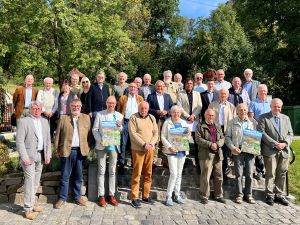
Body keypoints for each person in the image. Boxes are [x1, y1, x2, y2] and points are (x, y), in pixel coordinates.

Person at [16, 101, 51, 220]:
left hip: (40, 156)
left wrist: (48, 154)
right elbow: (19, 142)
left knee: (36, 182)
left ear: (41, 109)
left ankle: (32, 204)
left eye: (38, 108)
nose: (36, 110)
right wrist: (24, 158)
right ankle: (27, 209)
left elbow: (47, 140)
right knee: (29, 182)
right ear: (30, 109)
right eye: (34, 108)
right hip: (29, 157)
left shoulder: (45, 122)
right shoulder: (23, 121)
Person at [54, 99, 91, 209]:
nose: (75, 108)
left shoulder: (86, 118)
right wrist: (56, 149)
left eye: (78, 106)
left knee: (78, 176)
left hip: (80, 151)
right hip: (66, 151)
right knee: (65, 176)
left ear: (81, 107)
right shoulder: (64, 118)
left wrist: (87, 148)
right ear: (70, 106)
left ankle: (78, 197)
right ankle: (62, 198)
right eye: (73, 106)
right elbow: (58, 135)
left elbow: (89, 136)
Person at [258, 98, 293, 206]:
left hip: (284, 150)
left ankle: (279, 194)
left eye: (279, 107)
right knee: (270, 173)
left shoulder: (286, 118)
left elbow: (290, 133)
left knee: (282, 173)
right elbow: (261, 132)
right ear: (271, 106)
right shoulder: (264, 117)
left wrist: (285, 143)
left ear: (281, 107)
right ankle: (269, 195)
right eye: (275, 106)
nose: (277, 108)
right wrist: (275, 144)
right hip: (270, 150)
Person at [92, 96, 123, 207]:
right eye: (109, 103)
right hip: (102, 146)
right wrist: (100, 140)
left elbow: (120, 131)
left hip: (113, 146)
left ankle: (111, 195)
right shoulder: (100, 114)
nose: (111, 105)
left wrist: (120, 126)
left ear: (115, 104)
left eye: (113, 103)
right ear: (106, 103)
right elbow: (95, 129)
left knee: (112, 171)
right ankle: (101, 196)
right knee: (101, 171)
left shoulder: (119, 115)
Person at [128, 101, 158, 208]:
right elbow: (133, 134)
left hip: (150, 149)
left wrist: (151, 143)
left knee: (148, 173)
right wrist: (144, 144)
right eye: (142, 108)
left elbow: (155, 133)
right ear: (138, 108)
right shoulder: (133, 118)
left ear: (148, 109)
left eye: (146, 108)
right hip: (138, 149)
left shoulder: (151, 118)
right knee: (137, 173)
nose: (144, 110)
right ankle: (134, 197)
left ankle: (146, 195)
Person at [225, 103, 256, 204]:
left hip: (249, 150)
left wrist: (256, 149)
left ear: (247, 110)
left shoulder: (252, 122)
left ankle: (249, 194)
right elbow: (227, 138)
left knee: (249, 174)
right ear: (237, 111)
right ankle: (239, 194)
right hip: (237, 151)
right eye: (241, 110)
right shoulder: (232, 122)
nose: (243, 111)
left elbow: (256, 137)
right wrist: (233, 148)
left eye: (245, 110)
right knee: (239, 174)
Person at [195, 108, 226, 204]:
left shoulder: (217, 126)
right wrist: (210, 144)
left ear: (215, 116)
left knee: (219, 176)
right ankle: (204, 195)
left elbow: (222, 138)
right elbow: (198, 139)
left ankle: (218, 195)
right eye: (209, 115)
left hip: (217, 154)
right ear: (205, 115)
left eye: (212, 115)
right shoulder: (200, 126)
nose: (211, 117)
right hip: (206, 155)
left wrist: (217, 144)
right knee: (206, 176)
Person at [161, 105, 190, 206]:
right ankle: (168, 196)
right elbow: (162, 137)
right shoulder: (167, 122)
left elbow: (187, 137)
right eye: (174, 112)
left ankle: (177, 195)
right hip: (171, 151)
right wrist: (169, 147)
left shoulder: (184, 122)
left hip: (182, 150)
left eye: (178, 112)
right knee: (173, 173)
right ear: (171, 113)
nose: (176, 114)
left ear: (180, 113)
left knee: (179, 174)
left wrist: (188, 133)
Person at [117, 83, 143, 173]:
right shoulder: (123, 98)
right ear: (128, 88)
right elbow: (119, 111)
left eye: (134, 87)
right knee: (123, 144)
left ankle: (134, 164)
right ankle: (121, 164)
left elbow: (142, 111)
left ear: (137, 89)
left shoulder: (140, 98)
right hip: (125, 122)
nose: (132, 88)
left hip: (136, 123)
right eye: (131, 87)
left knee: (135, 144)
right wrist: (119, 120)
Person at [209, 88, 236, 178]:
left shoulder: (231, 106)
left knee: (224, 152)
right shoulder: (212, 104)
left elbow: (234, 120)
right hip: (214, 129)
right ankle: (213, 172)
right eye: (221, 94)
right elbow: (208, 117)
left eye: (225, 94)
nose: (223, 95)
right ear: (218, 95)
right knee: (213, 151)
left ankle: (223, 172)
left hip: (226, 130)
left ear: (228, 95)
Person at [177, 78, 202, 171]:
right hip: (184, 121)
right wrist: (188, 116)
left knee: (197, 144)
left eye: (191, 83)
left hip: (194, 122)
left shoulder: (197, 94)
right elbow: (179, 107)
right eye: (187, 83)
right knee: (183, 143)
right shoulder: (180, 94)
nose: (189, 85)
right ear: (185, 84)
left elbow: (199, 106)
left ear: (193, 85)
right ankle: (181, 165)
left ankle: (198, 165)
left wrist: (193, 116)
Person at [147, 80, 173, 166]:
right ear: (155, 87)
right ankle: (154, 160)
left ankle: (165, 160)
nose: (160, 88)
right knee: (155, 139)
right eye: (158, 86)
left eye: (162, 86)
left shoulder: (168, 96)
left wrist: (167, 112)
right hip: (155, 120)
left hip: (165, 120)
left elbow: (172, 108)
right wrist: (156, 111)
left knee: (165, 139)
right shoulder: (150, 96)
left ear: (164, 87)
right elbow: (148, 109)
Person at [248, 84, 271, 180]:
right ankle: (259, 171)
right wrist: (259, 125)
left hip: (268, 130)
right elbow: (250, 116)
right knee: (257, 152)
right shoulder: (253, 102)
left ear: (267, 91)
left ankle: (268, 171)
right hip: (255, 130)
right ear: (258, 92)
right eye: (261, 91)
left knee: (268, 151)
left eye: (264, 91)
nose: (263, 92)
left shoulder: (270, 103)